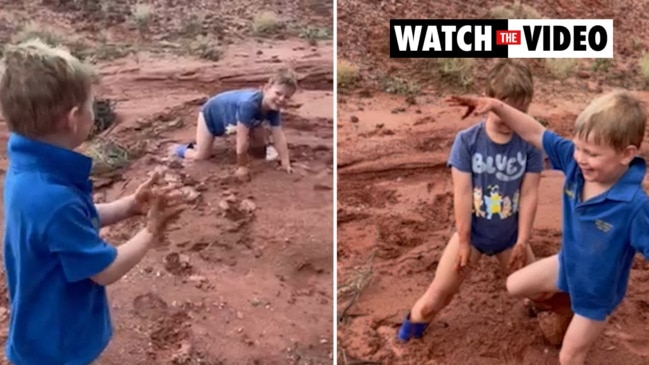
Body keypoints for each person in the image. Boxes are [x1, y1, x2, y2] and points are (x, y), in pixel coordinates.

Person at [0, 39, 184, 365]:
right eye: (91, 105)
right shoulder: (53, 198)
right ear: (73, 118)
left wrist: (130, 205)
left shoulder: (29, 170)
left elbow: (71, 225)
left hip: (40, 330)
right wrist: (152, 229)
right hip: (57, 346)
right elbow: (104, 271)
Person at [446, 90, 649, 365]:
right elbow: (534, 132)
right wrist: (496, 105)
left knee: (569, 356)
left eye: (592, 153)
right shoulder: (576, 166)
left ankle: (578, 319)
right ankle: (564, 308)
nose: (581, 158)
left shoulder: (634, 205)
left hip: (596, 293)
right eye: (578, 147)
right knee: (514, 284)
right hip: (567, 264)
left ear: (627, 155)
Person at [397, 60, 544, 342]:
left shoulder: (529, 145)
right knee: (434, 300)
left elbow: (529, 194)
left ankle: (538, 316)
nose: (509, 117)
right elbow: (462, 194)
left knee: (539, 294)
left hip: (510, 237)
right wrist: (464, 241)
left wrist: (523, 240)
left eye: (519, 110)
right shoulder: (467, 141)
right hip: (473, 236)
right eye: (503, 108)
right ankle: (405, 339)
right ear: (487, 100)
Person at [174, 68, 298, 181]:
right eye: (278, 93)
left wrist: (285, 163)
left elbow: (278, 136)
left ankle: (257, 157)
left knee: (260, 132)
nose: (281, 99)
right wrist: (242, 166)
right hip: (211, 115)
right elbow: (241, 138)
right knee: (201, 155)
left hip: (235, 119)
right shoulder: (249, 104)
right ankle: (177, 149)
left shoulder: (273, 107)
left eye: (287, 97)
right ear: (266, 88)